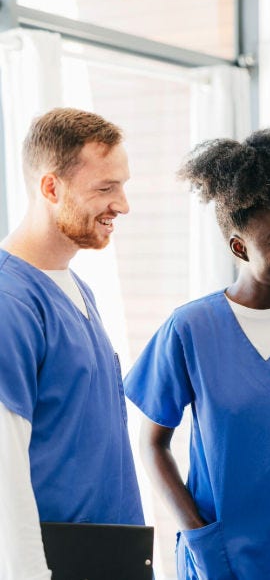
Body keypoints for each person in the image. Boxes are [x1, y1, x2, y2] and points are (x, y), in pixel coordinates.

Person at [124, 128, 270, 580]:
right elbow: (152, 444)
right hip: (222, 555)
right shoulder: (190, 329)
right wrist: (197, 532)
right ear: (239, 247)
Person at [0, 108, 144, 579]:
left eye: (122, 186)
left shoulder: (77, 289)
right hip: (58, 563)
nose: (122, 205)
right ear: (51, 188)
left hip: (112, 553)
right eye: (105, 188)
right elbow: (4, 470)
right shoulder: (10, 302)